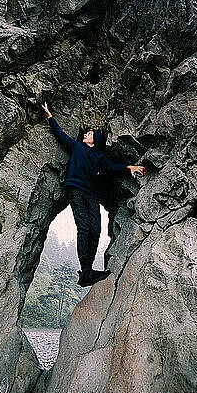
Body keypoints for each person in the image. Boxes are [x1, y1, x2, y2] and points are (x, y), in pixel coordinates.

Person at [41, 102, 145, 287]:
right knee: (84, 228)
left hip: (91, 193)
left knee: (95, 229)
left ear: (95, 139)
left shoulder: (99, 157)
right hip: (76, 190)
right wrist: (50, 116)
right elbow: (60, 135)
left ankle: (88, 272)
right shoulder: (76, 147)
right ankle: (86, 271)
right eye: (85, 133)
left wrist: (129, 167)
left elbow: (112, 167)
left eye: (88, 134)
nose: (85, 135)